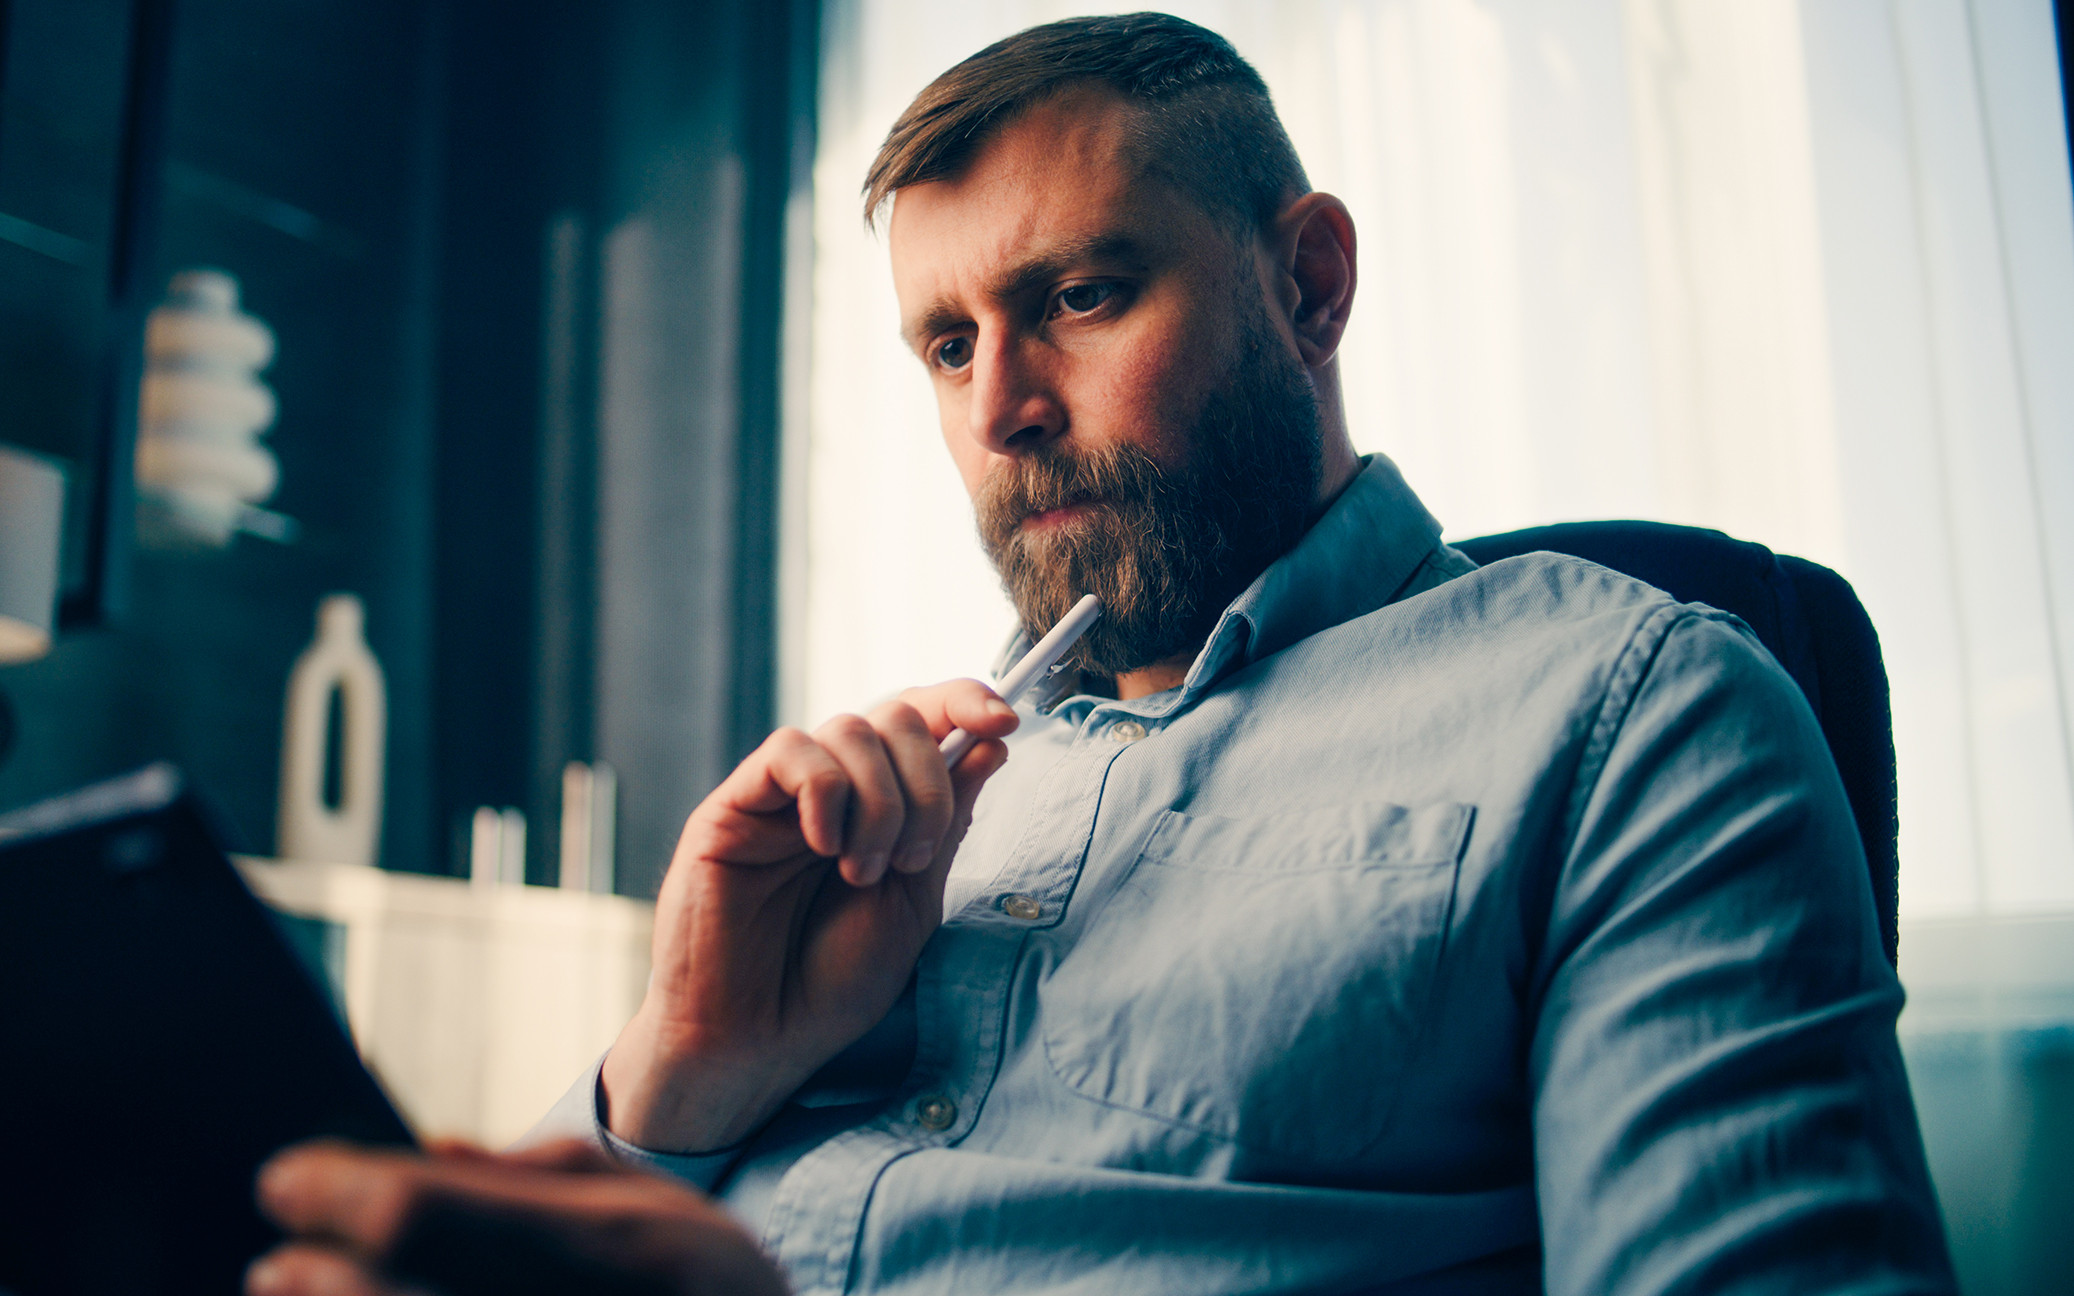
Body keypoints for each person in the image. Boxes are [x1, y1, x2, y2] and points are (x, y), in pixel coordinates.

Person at [246, 13, 1956, 1295]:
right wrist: (684, 1065)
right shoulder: (894, 804)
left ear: (1308, 284)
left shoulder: (1634, 715)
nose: (998, 412)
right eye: (941, 343)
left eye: (1075, 297)